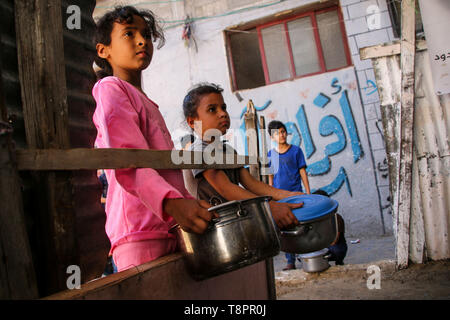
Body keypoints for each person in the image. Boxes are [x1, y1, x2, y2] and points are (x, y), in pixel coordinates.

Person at [92, 6, 213, 272]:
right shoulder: (109, 88)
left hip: (168, 225)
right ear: (104, 50)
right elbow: (126, 159)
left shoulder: (146, 102)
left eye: (146, 34)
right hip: (138, 232)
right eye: (129, 34)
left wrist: (186, 204)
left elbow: (164, 171)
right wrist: (173, 203)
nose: (141, 41)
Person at [182, 82, 304, 229]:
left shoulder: (228, 150)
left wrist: (288, 195)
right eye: (212, 109)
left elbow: (252, 183)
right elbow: (226, 188)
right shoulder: (198, 151)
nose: (222, 113)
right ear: (193, 121)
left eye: (224, 107)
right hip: (214, 230)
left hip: (236, 224)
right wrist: (269, 207)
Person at [267, 120, 311, 270]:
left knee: (300, 224)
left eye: (283, 131)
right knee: (285, 229)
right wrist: (271, 194)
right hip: (280, 198)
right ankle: (290, 260)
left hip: (296, 194)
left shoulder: (296, 151)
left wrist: (308, 192)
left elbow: (302, 172)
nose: (281, 135)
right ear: (272, 137)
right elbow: (270, 177)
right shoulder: (271, 155)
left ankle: (304, 256)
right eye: (277, 133)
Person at [312, 190, 348, 265]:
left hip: (333, 246)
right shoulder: (314, 218)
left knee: (337, 250)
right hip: (323, 245)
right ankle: (323, 263)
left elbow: (335, 240)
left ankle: (339, 262)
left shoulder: (336, 218)